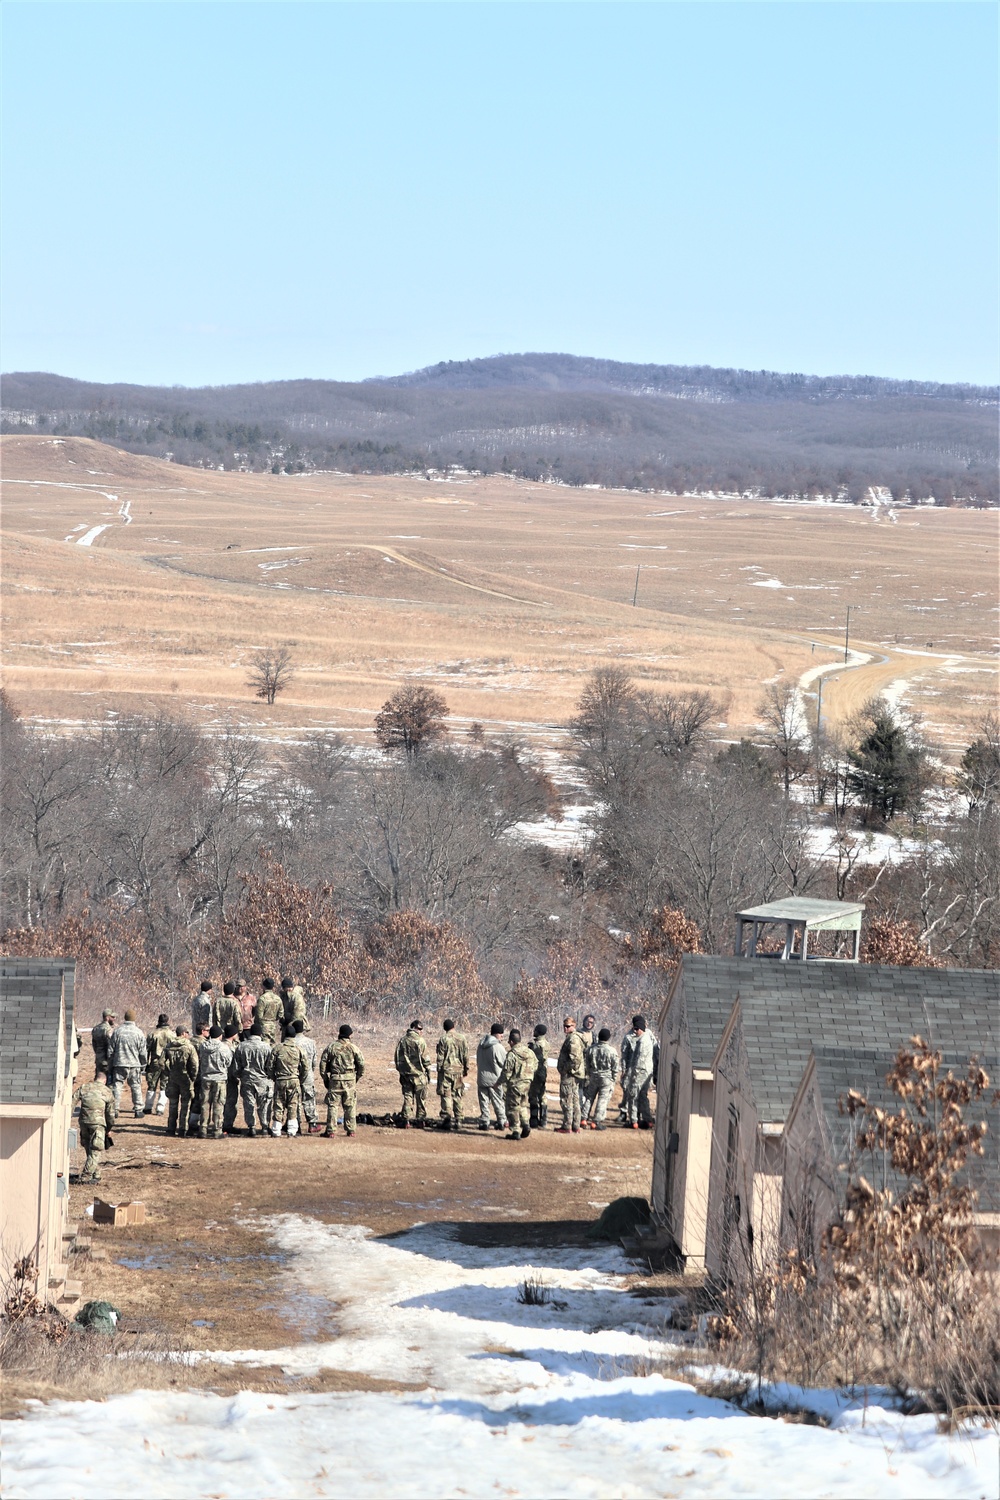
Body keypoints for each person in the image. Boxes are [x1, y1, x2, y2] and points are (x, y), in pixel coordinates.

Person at [319, 1024, 365, 1137]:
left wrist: (325, 1078)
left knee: (333, 1105)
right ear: (349, 1035)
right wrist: (357, 1077)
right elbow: (362, 1064)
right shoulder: (354, 1048)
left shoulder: (331, 1047)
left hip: (335, 1079)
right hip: (350, 1079)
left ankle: (331, 1131)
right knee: (350, 1105)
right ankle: (351, 1130)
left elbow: (323, 1063)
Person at [231, 1023, 272, 1137]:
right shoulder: (266, 1047)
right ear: (260, 1033)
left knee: (249, 1104)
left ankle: (251, 1127)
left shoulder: (241, 1046)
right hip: (262, 1080)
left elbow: (236, 1067)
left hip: (247, 1079)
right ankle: (265, 1126)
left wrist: (241, 1076)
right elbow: (270, 1066)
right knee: (264, 1104)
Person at [76, 1069, 116, 1183]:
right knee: (95, 1149)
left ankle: (96, 1174)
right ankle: (86, 1177)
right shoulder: (107, 1091)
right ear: (105, 1080)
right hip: (98, 1124)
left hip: (83, 1122)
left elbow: (72, 1101)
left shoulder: (84, 1087)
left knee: (88, 1146)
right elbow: (110, 1114)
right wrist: (109, 1128)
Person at [109, 1010, 148, 1118]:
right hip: (134, 1064)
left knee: (117, 1086)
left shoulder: (117, 1031)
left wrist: (111, 1062)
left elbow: (110, 1050)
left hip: (119, 1063)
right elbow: (143, 1052)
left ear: (125, 1018)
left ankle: (114, 1109)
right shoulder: (139, 1032)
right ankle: (138, 1109)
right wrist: (143, 1064)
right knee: (136, 1086)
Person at [269, 1029, 309, 1137]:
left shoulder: (277, 1048)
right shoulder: (299, 1049)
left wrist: (274, 1077)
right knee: (293, 1105)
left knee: (278, 1105)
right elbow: (306, 1067)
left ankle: (276, 1130)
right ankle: (292, 1130)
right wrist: (300, 1078)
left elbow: (269, 1066)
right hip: (294, 1080)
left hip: (280, 1080)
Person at [621, 1015, 656, 1129]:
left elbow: (638, 1060)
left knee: (633, 1095)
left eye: (637, 1029)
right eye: (634, 1029)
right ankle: (647, 1120)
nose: (635, 1031)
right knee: (643, 1096)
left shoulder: (642, 1041)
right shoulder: (648, 1037)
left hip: (639, 1071)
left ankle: (633, 1121)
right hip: (647, 1071)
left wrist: (632, 1073)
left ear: (642, 1028)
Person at [164, 1024, 200, 1137]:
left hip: (172, 1078)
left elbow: (162, 1063)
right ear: (184, 1033)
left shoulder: (169, 1046)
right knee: (185, 1105)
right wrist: (193, 1078)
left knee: (173, 1104)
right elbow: (194, 1065)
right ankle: (182, 1129)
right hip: (185, 1078)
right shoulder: (189, 1047)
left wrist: (168, 1073)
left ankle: (170, 1128)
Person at [394, 1020, 430, 1127]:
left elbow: (397, 1058)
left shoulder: (402, 1041)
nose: (421, 1031)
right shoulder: (421, 1041)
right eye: (419, 1029)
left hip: (406, 1075)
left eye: (421, 1029)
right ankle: (420, 1120)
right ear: (414, 1027)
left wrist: (401, 1071)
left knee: (408, 1097)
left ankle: (406, 1120)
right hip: (419, 1075)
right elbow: (425, 1059)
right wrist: (428, 1071)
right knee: (421, 1099)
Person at [500, 1029, 534, 1141]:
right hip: (527, 1084)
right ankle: (526, 1125)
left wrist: (498, 1083)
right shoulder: (529, 1052)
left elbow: (506, 1073)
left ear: (511, 1041)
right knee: (523, 1105)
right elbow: (536, 1065)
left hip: (515, 1085)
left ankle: (515, 1131)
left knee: (512, 1107)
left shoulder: (512, 1054)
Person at [197, 1025, 230, 1139]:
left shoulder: (203, 1046)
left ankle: (203, 1129)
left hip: (206, 1078)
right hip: (219, 1079)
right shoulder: (224, 1047)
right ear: (220, 1035)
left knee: (204, 1104)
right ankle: (217, 1130)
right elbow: (228, 1062)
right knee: (218, 1105)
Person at [435, 1018, 469, 1131]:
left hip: (446, 1071)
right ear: (453, 1026)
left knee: (446, 1094)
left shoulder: (443, 1039)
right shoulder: (462, 1038)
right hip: (458, 1070)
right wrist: (465, 1069)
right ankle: (459, 1119)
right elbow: (465, 1055)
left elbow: (440, 1057)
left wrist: (439, 1069)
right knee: (457, 1094)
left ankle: (447, 1119)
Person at [583, 1028, 619, 1129]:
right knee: (602, 1100)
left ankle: (583, 1119)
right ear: (608, 1038)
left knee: (589, 1097)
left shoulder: (591, 1049)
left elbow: (587, 1064)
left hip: (593, 1076)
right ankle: (596, 1121)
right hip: (606, 1078)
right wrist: (613, 1079)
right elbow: (615, 1068)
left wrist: (590, 1074)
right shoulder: (612, 1051)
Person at [556, 1015, 585, 1134]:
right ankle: (575, 1125)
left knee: (566, 1100)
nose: (565, 1028)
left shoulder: (573, 1039)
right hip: (574, 1074)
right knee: (574, 1099)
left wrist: (564, 1069)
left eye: (568, 1026)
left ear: (574, 1026)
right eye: (564, 1026)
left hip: (569, 1074)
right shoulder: (574, 1038)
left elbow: (575, 1059)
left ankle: (567, 1125)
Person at [476, 1023, 508, 1132]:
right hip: (494, 1079)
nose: (502, 1036)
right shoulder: (497, 1047)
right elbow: (504, 1063)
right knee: (498, 1101)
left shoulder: (480, 1045)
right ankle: (502, 1121)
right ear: (497, 1034)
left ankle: (484, 1122)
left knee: (484, 1102)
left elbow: (478, 1061)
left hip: (482, 1078)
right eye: (501, 1034)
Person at [291, 1019, 321, 1133]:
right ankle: (312, 1123)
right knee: (309, 1098)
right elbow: (314, 1061)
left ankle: (296, 1123)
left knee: (295, 1099)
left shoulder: (291, 1042)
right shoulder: (311, 1042)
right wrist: (310, 1071)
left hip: (294, 1073)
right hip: (307, 1073)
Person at [144, 1013, 174, 1115]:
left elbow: (146, 1050)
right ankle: (160, 1109)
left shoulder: (153, 1034)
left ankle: (148, 1107)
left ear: (158, 1021)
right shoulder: (172, 1035)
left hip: (154, 1062)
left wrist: (145, 1064)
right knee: (164, 1085)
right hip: (167, 1063)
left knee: (151, 1085)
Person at [221, 1023, 242, 1135]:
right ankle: (227, 1125)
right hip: (229, 1079)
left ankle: (219, 1124)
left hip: (219, 1078)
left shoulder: (220, 1045)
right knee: (231, 1103)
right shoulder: (231, 1048)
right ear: (233, 1035)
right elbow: (233, 1066)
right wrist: (236, 1076)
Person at [528, 1024, 549, 1129]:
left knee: (533, 1096)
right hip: (544, 1072)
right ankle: (544, 1119)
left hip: (536, 1072)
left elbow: (536, 1059)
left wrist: (531, 1049)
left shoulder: (537, 1045)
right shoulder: (546, 1043)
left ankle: (534, 1119)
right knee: (542, 1095)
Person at [578, 1013, 596, 1115]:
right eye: (587, 1022)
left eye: (591, 1022)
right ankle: (579, 1109)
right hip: (580, 1065)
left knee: (588, 1089)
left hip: (589, 1067)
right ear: (584, 1021)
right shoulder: (579, 1033)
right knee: (579, 1088)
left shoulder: (594, 1036)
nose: (589, 1024)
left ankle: (585, 1112)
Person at [255, 978, 283, 1043]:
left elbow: (259, 1016)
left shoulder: (262, 999)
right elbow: (281, 1014)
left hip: (263, 1026)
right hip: (273, 1025)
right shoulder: (278, 999)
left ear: (263, 986)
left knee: (264, 1046)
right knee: (272, 1044)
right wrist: (273, 1019)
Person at [91, 1010, 117, 1077]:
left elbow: (94, 1044)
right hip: (106, 1060)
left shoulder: (95, 1029)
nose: (114, 1019)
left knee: (99, 1078)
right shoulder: (108, 1030)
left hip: (98, 1059)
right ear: (107, 1018)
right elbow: (111, 1045)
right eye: (112, 1017)